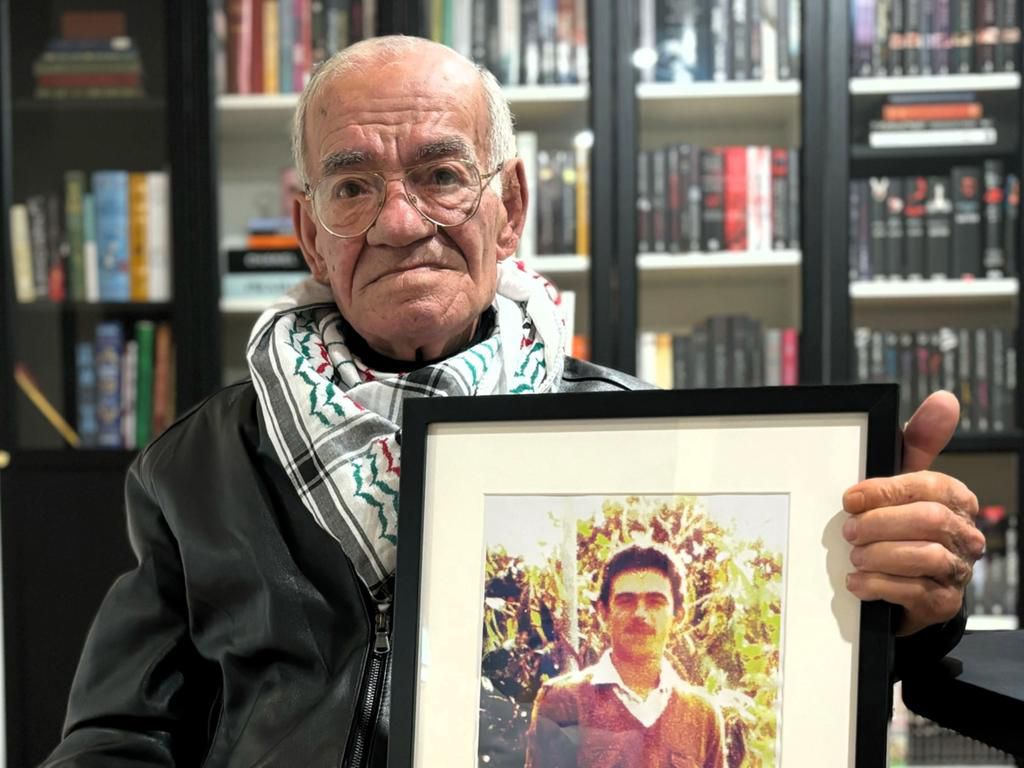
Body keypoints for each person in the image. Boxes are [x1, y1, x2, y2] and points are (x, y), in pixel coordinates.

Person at [41, 35, 984, 767]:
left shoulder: (636, 432)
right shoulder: (194, 465)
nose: (401, 221)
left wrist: (906, 596)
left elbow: (813, 676)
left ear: (512, 205)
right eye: (354, 185)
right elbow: (118, 734)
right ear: (309, 233)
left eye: (442, 175)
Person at [524, 544, 726, 768]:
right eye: (626, 600)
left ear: (678, 616)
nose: (640, 613)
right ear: (603, 612)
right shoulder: (564, 700)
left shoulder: (702, 714)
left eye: (655, 601)